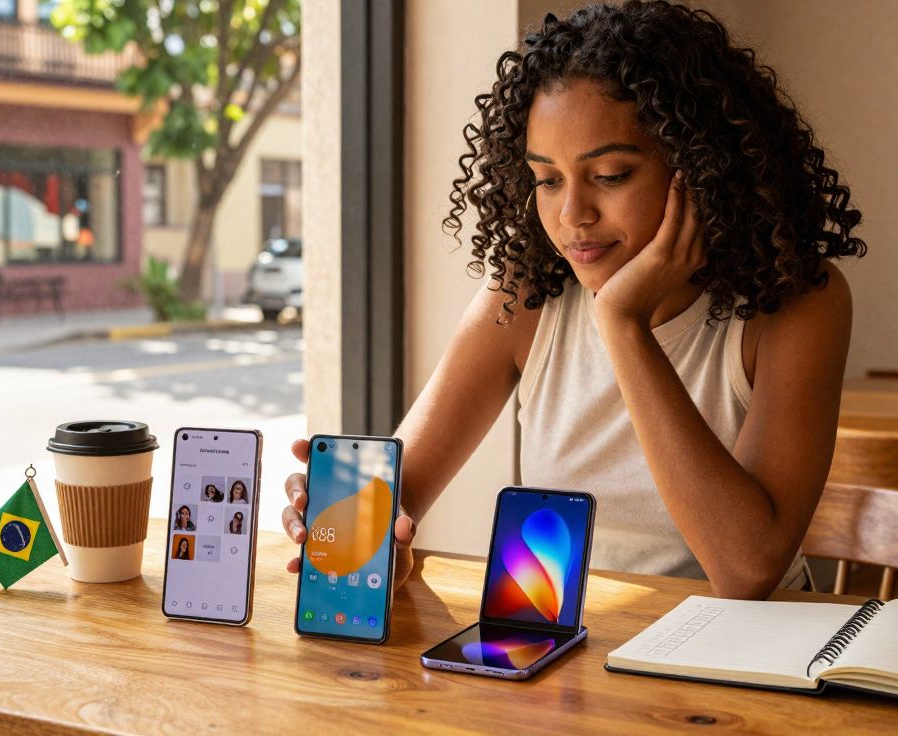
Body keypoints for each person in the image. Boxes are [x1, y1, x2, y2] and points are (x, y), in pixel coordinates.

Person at [281, 1, 864, 600]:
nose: (572, 217)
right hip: (569, 644)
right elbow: (399, 493)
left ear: (701, 168)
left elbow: (747, 572)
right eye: (547, 179)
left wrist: (622, 321)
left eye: (610, 175)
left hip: (742, 658)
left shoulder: (796, 304)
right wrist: (371, 538)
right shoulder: (528, 291)